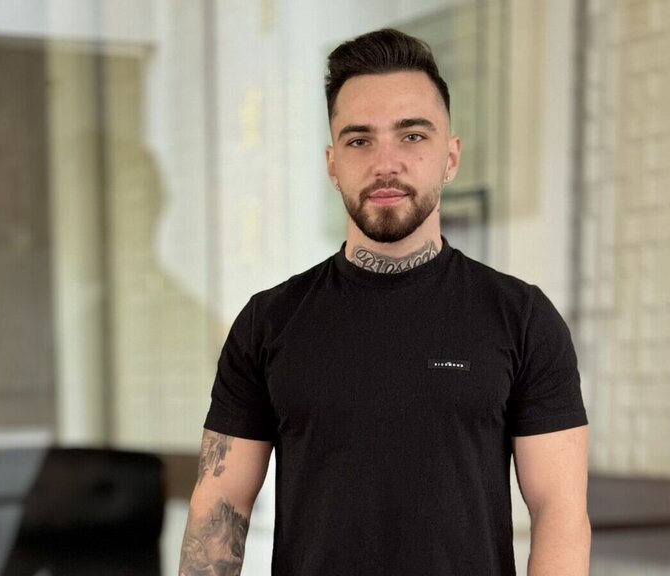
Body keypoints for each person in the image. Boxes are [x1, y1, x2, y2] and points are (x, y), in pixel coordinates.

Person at [179, 28, 590, 575]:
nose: (385, 163)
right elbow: (219, 509)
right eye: (359, 141)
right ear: (332, 164)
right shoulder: (268, 323)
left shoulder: (522, 319)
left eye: (412, 135)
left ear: (450, 157)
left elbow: (560, 515)